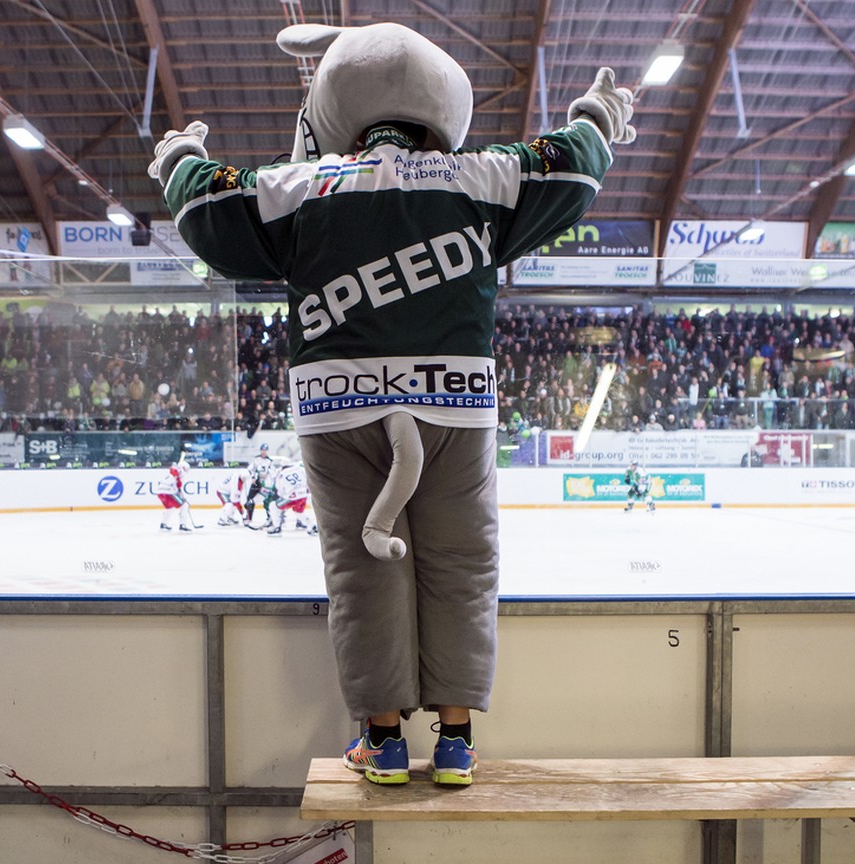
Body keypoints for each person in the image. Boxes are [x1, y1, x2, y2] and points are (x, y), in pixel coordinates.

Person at [150, 22, 632, 786]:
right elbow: (570, 169)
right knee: (463, 566)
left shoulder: (300, 187)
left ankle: (381, 742)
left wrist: (181, 159)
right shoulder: (482, 176)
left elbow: (209, 205)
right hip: (454, 404)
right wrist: (597, 118)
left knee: (360, 569)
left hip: (338, 408)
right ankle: (455, 741)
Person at [265, 462, 317, 537]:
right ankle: (313, 527)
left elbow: (280, 492)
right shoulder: (299, 469)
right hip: (304, 495)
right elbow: (309, 479)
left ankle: (277, 528)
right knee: (298, 512)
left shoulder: (281, 474)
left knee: (273, 506)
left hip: (292, 496)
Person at [157, 458, 200, 532]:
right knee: (185, 505)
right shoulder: (181, 471)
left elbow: (178, 484)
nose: (187, 471)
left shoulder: (174, 473)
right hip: (169, 492)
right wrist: (177, 475)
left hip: (160, 492)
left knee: (171, 507)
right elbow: (173, 470)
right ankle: (182, 525)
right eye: (186, 469)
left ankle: (163, 524)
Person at [244, 443, 276, 528]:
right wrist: (253, 477)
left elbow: (273, 473)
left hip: (266, 484)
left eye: (265, 450)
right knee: (250, 500)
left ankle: (270, 518)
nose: (263, 452)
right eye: (262, 450)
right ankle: (249, 518)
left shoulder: (270, 461)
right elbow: (251, 469)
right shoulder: (256, 459)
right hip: (256, 482)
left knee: (267, 501)